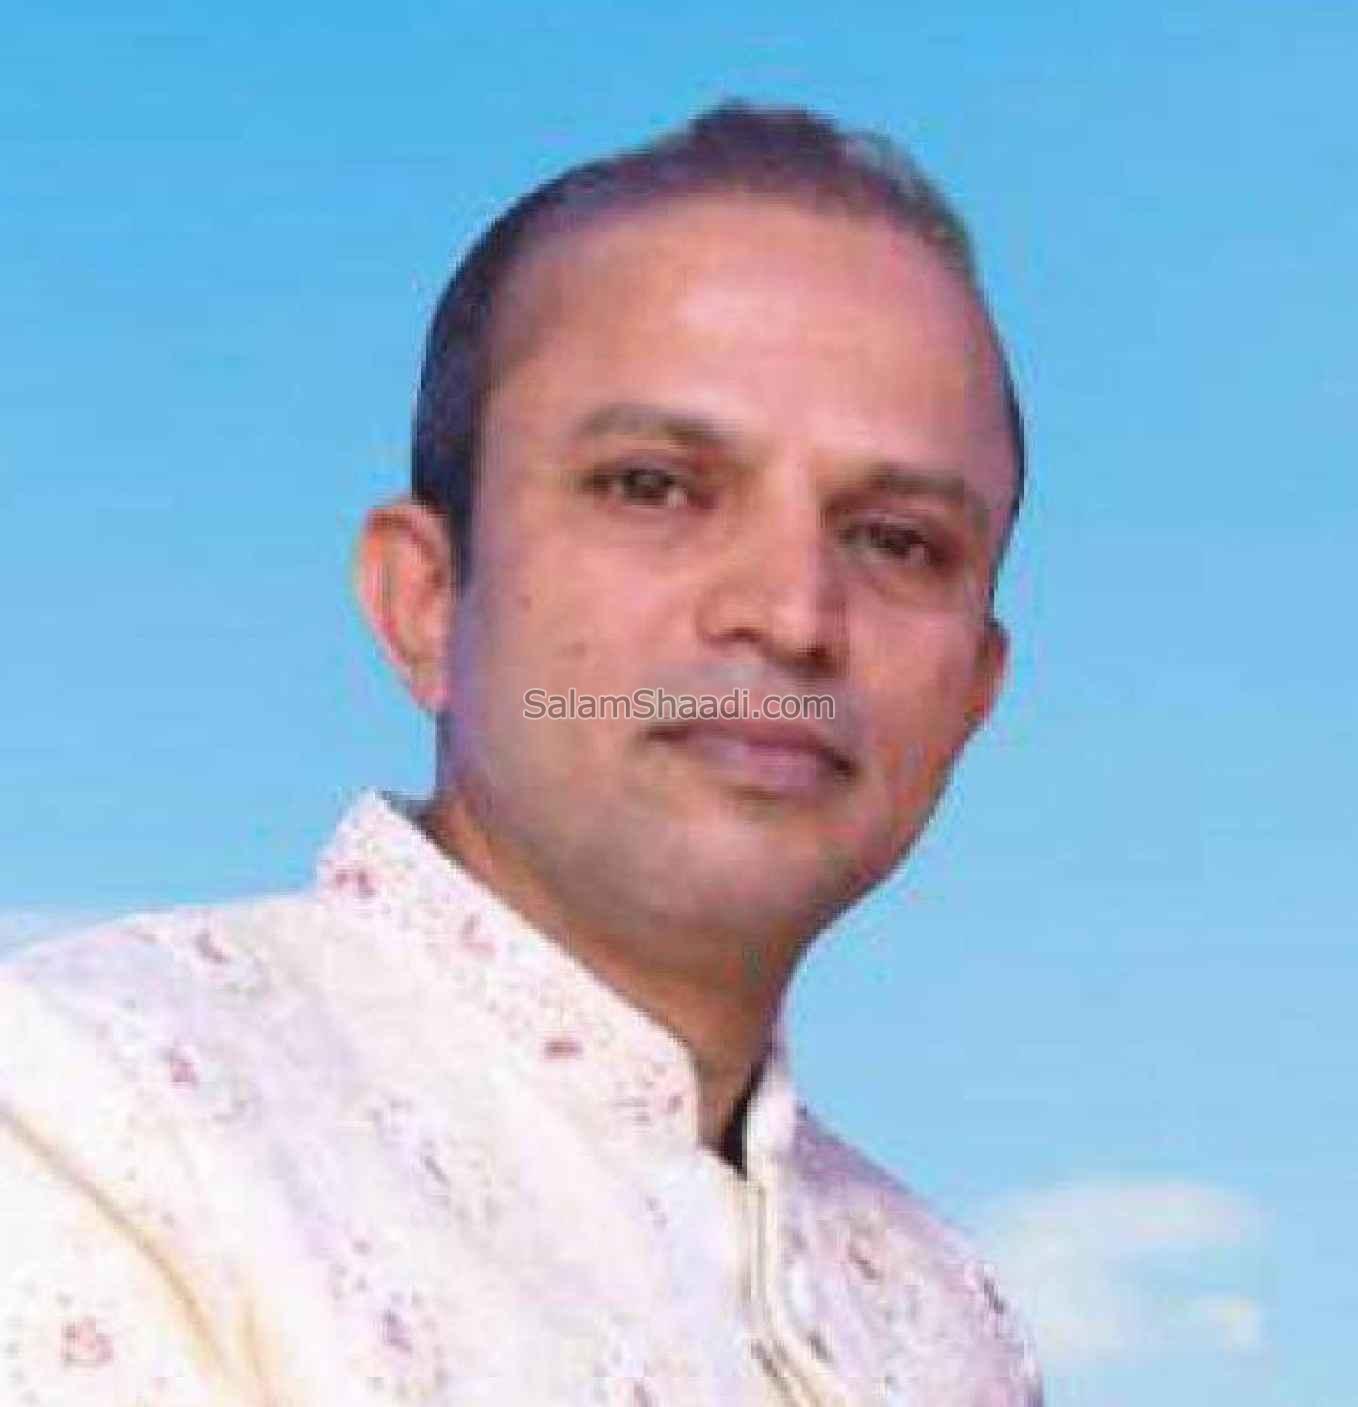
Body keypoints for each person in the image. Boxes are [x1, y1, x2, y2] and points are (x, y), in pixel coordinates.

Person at [0, 102, 1043, 1404]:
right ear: (425, 600)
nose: (789, 613)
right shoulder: (99, 1122)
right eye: (653, 487)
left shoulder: (943, 1318)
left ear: (974, 693)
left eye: (897, 541)